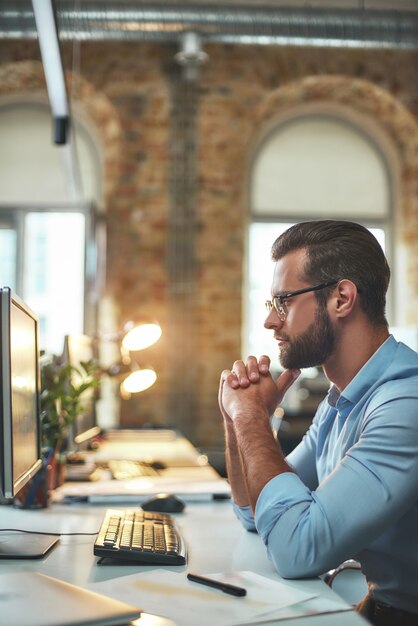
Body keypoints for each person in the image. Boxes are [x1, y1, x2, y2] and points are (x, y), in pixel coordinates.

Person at [219, 220, 418, 626]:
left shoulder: (404, 404)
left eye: (284, 302)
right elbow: (258, 516)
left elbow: (296, 549)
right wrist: (235, 419)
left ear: (342, 298)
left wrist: (251, 417)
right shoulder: (340, 398)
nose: (270, 322)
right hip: (379, 608)